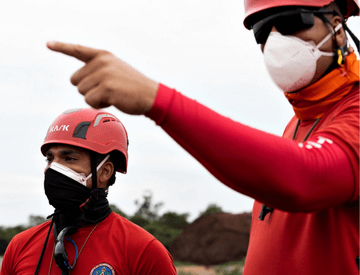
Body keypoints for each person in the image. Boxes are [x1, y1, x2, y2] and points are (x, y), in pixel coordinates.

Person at [45, 0, 359, 274]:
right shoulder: (300, 123)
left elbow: (306, 176)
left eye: (292, 22)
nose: (276, 41)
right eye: (263, 30)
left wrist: (158, 100)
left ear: (338, 27)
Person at [0, 108, 176, 275]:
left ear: (105, 172)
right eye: (50, 159)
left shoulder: (144, 250)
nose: (53, 169)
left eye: (69, 158)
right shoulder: (20, 246)